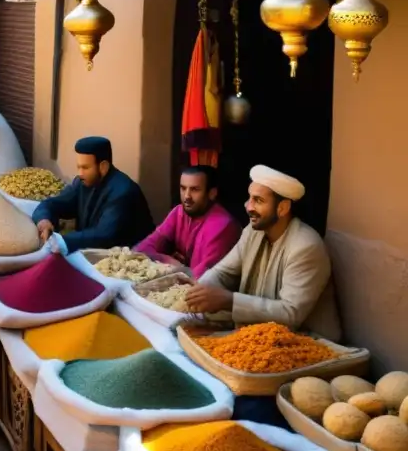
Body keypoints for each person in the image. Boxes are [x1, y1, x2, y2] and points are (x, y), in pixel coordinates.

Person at [186, 165, 342, 339]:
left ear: (282, 208)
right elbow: (223, 272)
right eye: (249, 198)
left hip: (307, 342)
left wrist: (229, 300)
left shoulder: (305, 246)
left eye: (258, 200)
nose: (248, 207)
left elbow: (291, 314)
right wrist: (198, 292)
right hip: (262, 334)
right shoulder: (253, 232)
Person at [33, 136, 154, 253]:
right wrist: (44, 220)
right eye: (78, 167)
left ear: (103, 167)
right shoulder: (81, 183)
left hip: (131, 260)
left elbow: (104, 236)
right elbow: (52, 204)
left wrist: (61, 241)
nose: (80, 173)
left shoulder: (123, 192)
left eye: (85, 168)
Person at [135, 165, 241, 278]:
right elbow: (141, 249)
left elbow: (199, 278)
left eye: (195, 189)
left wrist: (175, 267)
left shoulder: (223, 226)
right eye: (183, 188)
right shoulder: (178, 212)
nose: (187, 196)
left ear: (212, 193)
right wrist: (168, 260)